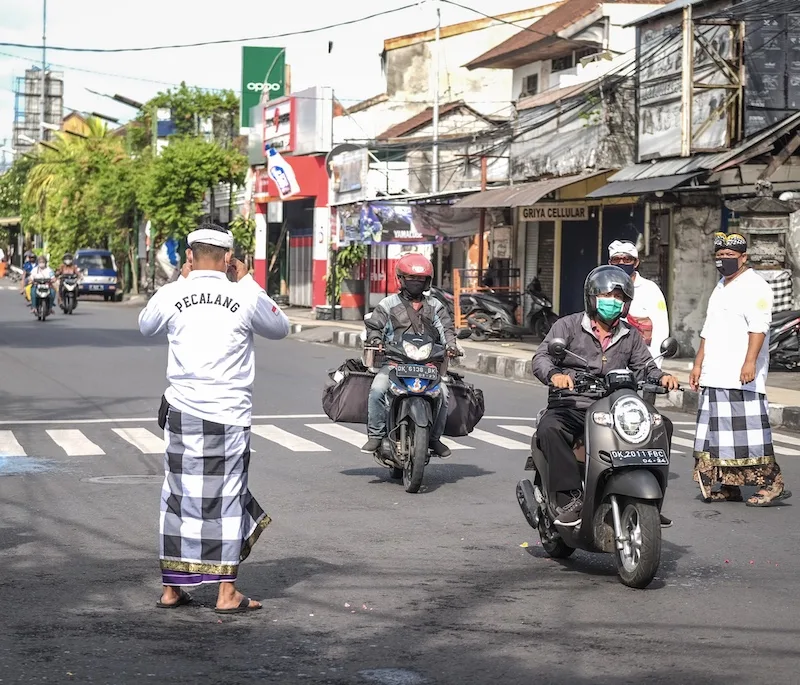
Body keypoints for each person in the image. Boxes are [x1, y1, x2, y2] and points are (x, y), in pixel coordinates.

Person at [138, 221, 290, 613]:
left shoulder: (175, 293)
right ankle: (226, 594)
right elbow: (280, 327)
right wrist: (249, 282)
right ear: (228, 259)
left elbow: (145, 324)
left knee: (178, 498)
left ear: (189, 256)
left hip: (183, 414)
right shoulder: (242, 296)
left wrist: (177, 281)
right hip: (228, 415)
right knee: (227, 501)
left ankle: (172, 589)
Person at [532, 266, 679, 525]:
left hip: (614, 409)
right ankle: (568, 496)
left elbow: (646, 366)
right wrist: (555, 375)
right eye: (607, 295)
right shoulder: (567, 326)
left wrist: (661, 377)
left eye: (619, 298)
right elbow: (541, 357)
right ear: (592, 297)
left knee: (661, 426)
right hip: (573, 404)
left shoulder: (630, 334)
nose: (614, 302)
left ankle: (651, 502)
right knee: (550, 428)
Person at [690, 232, 791, 507]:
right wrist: (698, 364)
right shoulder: (720, 286)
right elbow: (707, 330)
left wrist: (749, 362)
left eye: (730, 257)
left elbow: (758, 328)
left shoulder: (755, 286)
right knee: (718, 436)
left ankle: (773, 484)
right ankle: (730, 486)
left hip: (740, 376)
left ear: (743, 258)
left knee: (748, 436)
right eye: (719, 256)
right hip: (715, 373)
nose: (723, 261)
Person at [361, 253, 458, 459]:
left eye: (420, 279)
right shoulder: (388, 304)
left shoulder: (436, 306)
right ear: (401, 279)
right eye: (411, 278)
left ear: (427, 281)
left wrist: (451, 346)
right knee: (378, 389)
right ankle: (376, 435)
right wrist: (376, 340)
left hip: (428, 363)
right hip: (395, 362)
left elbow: (447, 329)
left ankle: (434, 438)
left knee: (443, 393)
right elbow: (374, 326)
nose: (416, 282)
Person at [608, 240, 669, 367]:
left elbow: (661, 330)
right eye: (616, 260)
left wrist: (652, 366)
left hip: (641, 362)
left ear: (636, 263)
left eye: (627, 259)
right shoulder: (604, 288)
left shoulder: (650, 289)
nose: (621, 263)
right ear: (610, 263)